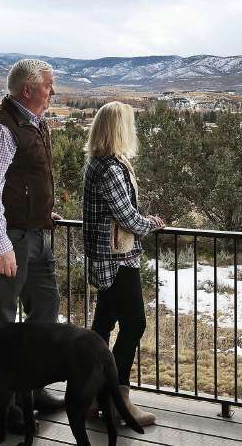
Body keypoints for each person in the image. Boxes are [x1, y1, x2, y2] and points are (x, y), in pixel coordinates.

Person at [0, 58, 65, 429]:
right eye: (48, 85)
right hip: (10, 239)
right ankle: (1, 407)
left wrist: (43, 213)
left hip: (36, 234)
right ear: (27, 89)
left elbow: (24, 182)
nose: (52, 91)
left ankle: (32, 390)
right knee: (1, 324)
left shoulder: (33, 124)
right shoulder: (0, 129)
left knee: (45, 313)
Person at [82, 101, 164, 427]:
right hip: (118, 260)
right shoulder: (111, 169)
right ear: (119, 129)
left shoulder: (96, 163)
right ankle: (117, 399)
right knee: (134, 325)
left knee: (101, 328)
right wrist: (152, 224)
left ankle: (90, 395)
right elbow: (127, 218)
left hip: (105, 258)